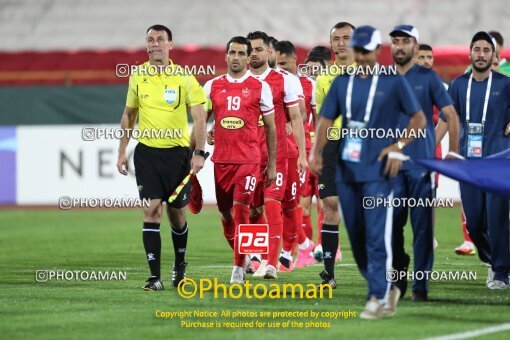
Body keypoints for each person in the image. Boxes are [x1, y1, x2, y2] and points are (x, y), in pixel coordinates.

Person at [310, 25, 426, 319]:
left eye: (366, 50)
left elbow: (418, 119)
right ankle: (385, 287)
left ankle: (376, 295)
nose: (361, 56)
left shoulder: (393, 83)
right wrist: (315, 153)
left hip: (378, 173)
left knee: (376, 236)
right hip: (347, 172)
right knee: (358, 238)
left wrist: (398, 146)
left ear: (377, 51)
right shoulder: (341, 84)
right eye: (357, 50)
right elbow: (325, 120)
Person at [116, 24, 207, 291]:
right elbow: (129, 115)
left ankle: (179, 266)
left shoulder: (184, 77)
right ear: (146, 45)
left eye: (160, 39)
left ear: (170, 45)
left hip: (177, 156)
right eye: (150, 40)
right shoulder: (137, 76)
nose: (155, 43)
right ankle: (154, 278)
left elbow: (200, 117)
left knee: (177, 216)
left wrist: (199, 152)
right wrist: (122, 151)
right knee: (151, 210)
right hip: (146, 155)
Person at [389, 25, 460, 301]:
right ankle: (398, 267)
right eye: (395, 41)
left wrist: (452, 153)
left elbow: (451, 115)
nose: (400, 46)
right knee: (391, 228)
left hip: (421, 168)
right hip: (392, 168)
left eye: (406, 41)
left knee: (422, 230)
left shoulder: (429, 79)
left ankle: (420, 285)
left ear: (415, 47)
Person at [438, 32, 510, 289]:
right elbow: (446, 120)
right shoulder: (458, 84)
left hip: (498, 164)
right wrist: (428, 149)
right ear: (470, 54)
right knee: (476, 224)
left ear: (494, 56)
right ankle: (496, 260)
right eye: (476, 50)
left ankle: (500, 272)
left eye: (485, 50)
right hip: (469, 165)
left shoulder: (505, 83)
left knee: (498, 218)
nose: (481, 54)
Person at [203, 36, 277, 283]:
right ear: (226, 56)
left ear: (248, 58)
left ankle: (237, 269)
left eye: (240, 53)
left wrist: (272, 165)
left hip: (249, 161)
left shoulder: (260, 87)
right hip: (221, 161)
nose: (235, 57)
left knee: (242, 211)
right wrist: (199, 149)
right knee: (225, 214)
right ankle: (243, 258)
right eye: (231, 53)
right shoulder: (212, 86)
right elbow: (201, 121)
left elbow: (270, 128)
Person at [247, 31, 307, 279]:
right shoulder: (239, 82)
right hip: (248, 158)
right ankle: (253, 257)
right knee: (251, 210)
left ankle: (273, 262)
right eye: (249, 49)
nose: (253, 54)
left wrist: (302, 154)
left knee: (278, 205)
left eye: (259, 49)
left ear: (269, 51)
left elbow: (296, 116)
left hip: (278, 156)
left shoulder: (286, 81)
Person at [310, 21, 355, 284]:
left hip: (361, 146)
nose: (341, 43)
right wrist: (317, 151)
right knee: (329, 205)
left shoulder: (369, 75)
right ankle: (329, 272)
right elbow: (320, 119)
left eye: (346, 38)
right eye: (336, 39)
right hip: (332, 147)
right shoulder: (324, 78)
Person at [275, 40, 317, 271]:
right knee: (278, 202)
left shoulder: (307, 84)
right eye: (276, 63)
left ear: (293, 60)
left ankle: (290, 253)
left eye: (283, 63)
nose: (279, 67)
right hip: (277, 150)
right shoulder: (273, 81)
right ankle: (302, 243)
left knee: (296, 202)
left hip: (301, 149)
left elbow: (306, 114)